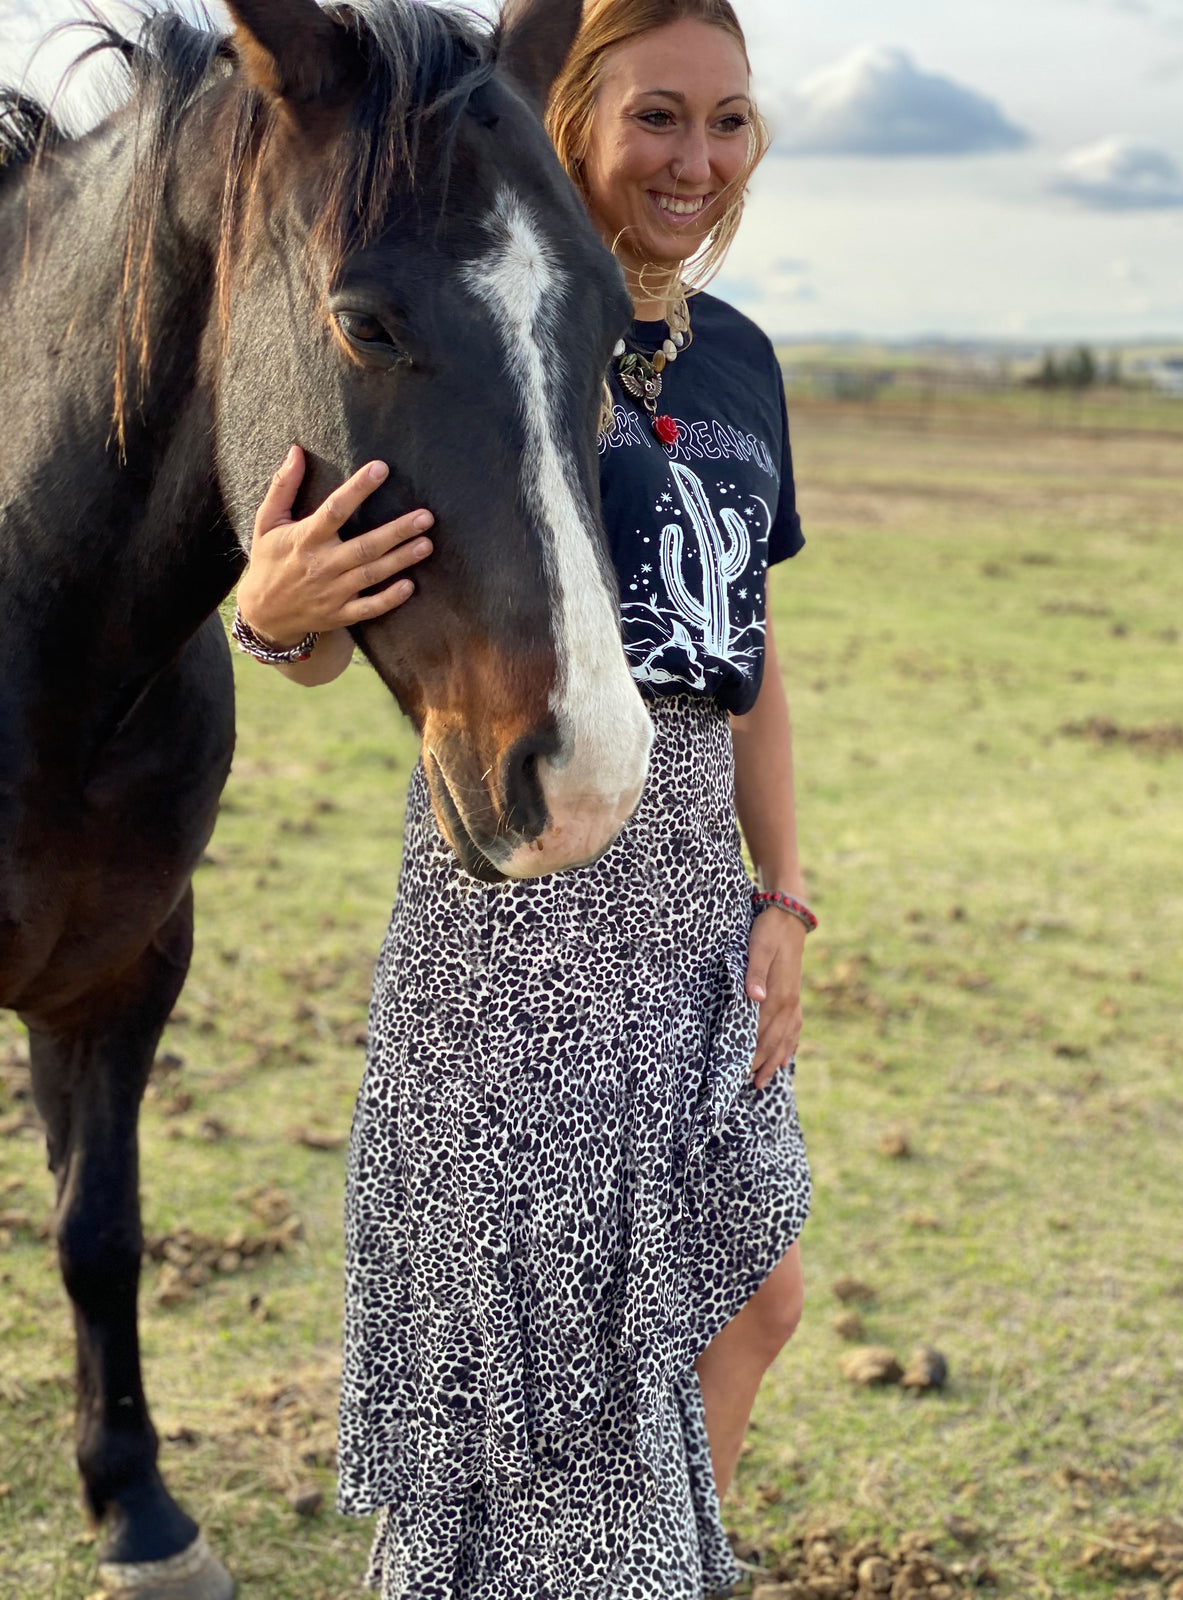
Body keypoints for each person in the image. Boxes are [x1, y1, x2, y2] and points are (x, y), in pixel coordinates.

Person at [233, 1, 813, 1594]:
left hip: (696, 889)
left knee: (751, 1293)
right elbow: (324, 611)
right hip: (531, 906)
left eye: (728, 118)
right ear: (575, 115)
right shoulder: (494, 319)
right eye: (657, 115)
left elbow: (754, 660)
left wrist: (787, 895)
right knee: (552, 1387)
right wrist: (270, 616)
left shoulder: (746, 357)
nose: (697, 156)